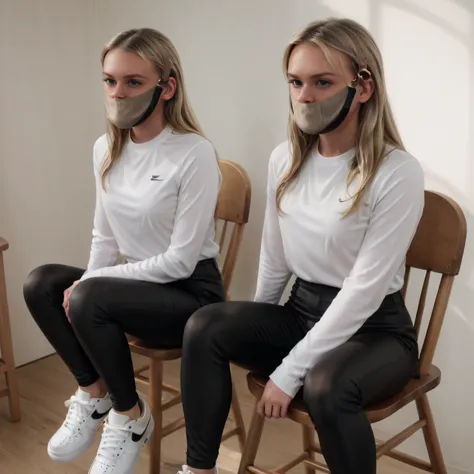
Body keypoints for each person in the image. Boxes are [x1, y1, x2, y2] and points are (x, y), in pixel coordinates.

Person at [179, 18, 424, 474]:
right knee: (205, 325)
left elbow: (363, 293)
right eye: (296, 82)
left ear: (363, 87)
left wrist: (289, 371)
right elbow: (274, 260)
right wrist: (251, 325)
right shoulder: (285, 158)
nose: (305, 96)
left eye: (322, 82)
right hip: (301, 312)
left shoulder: (397, 172)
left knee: (325, 386)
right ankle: (199, 469)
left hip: (374, 331)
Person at [23, 28, 224, 474]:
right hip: (137, 290)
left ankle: (129, 417)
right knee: (41, 283)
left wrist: (93, 284)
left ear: (166, 86)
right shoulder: (105, 149)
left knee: (90, 294)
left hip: (190, 297)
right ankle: (95, 394)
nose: (118, 92)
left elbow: (181, 260)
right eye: (110, 81)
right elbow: (105, 239)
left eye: (133, 82)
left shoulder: (194, 153)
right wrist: (87, 281)